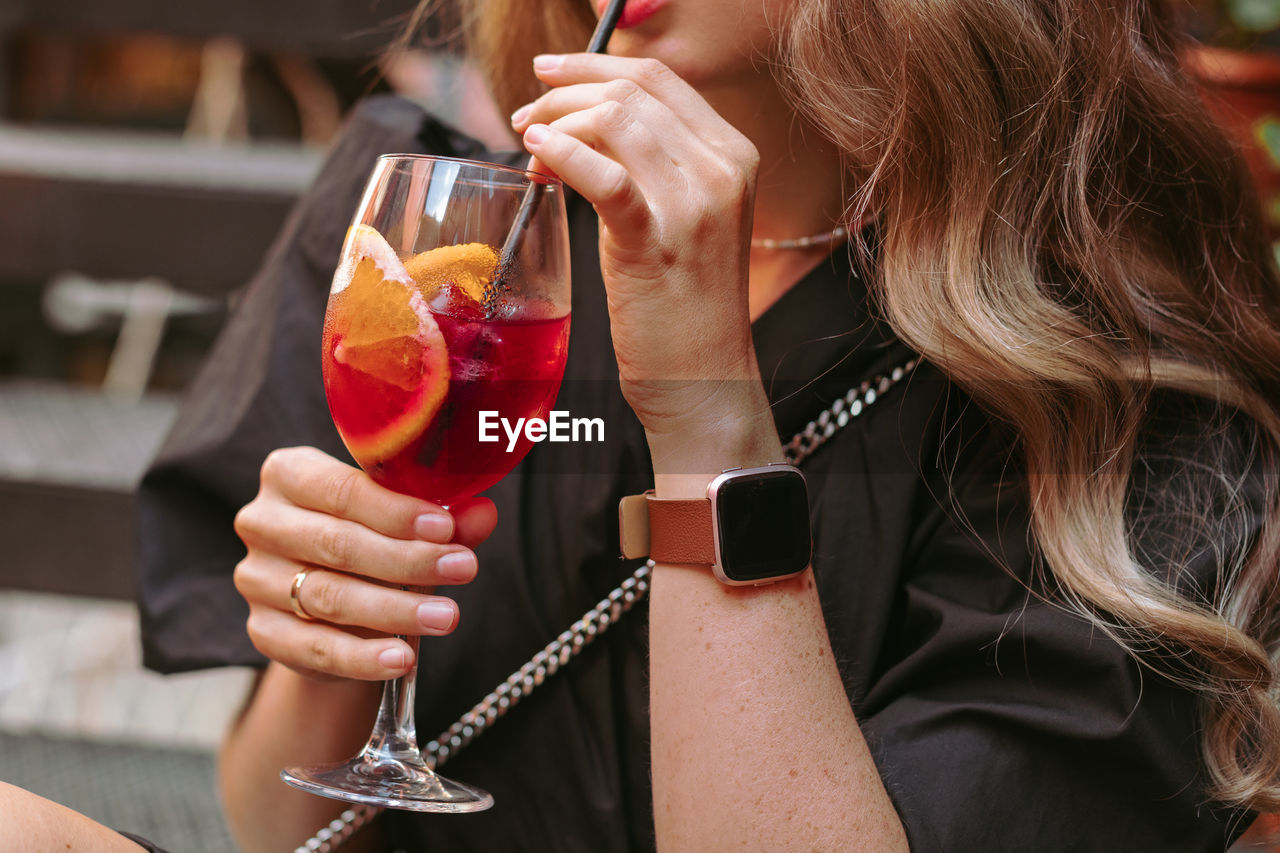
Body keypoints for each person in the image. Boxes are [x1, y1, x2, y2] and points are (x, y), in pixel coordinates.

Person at [135, 0, 1280, 850]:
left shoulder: (1097, 385)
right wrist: (333, 638)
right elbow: (275, 823)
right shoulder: (438, 249)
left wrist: (706, 426)